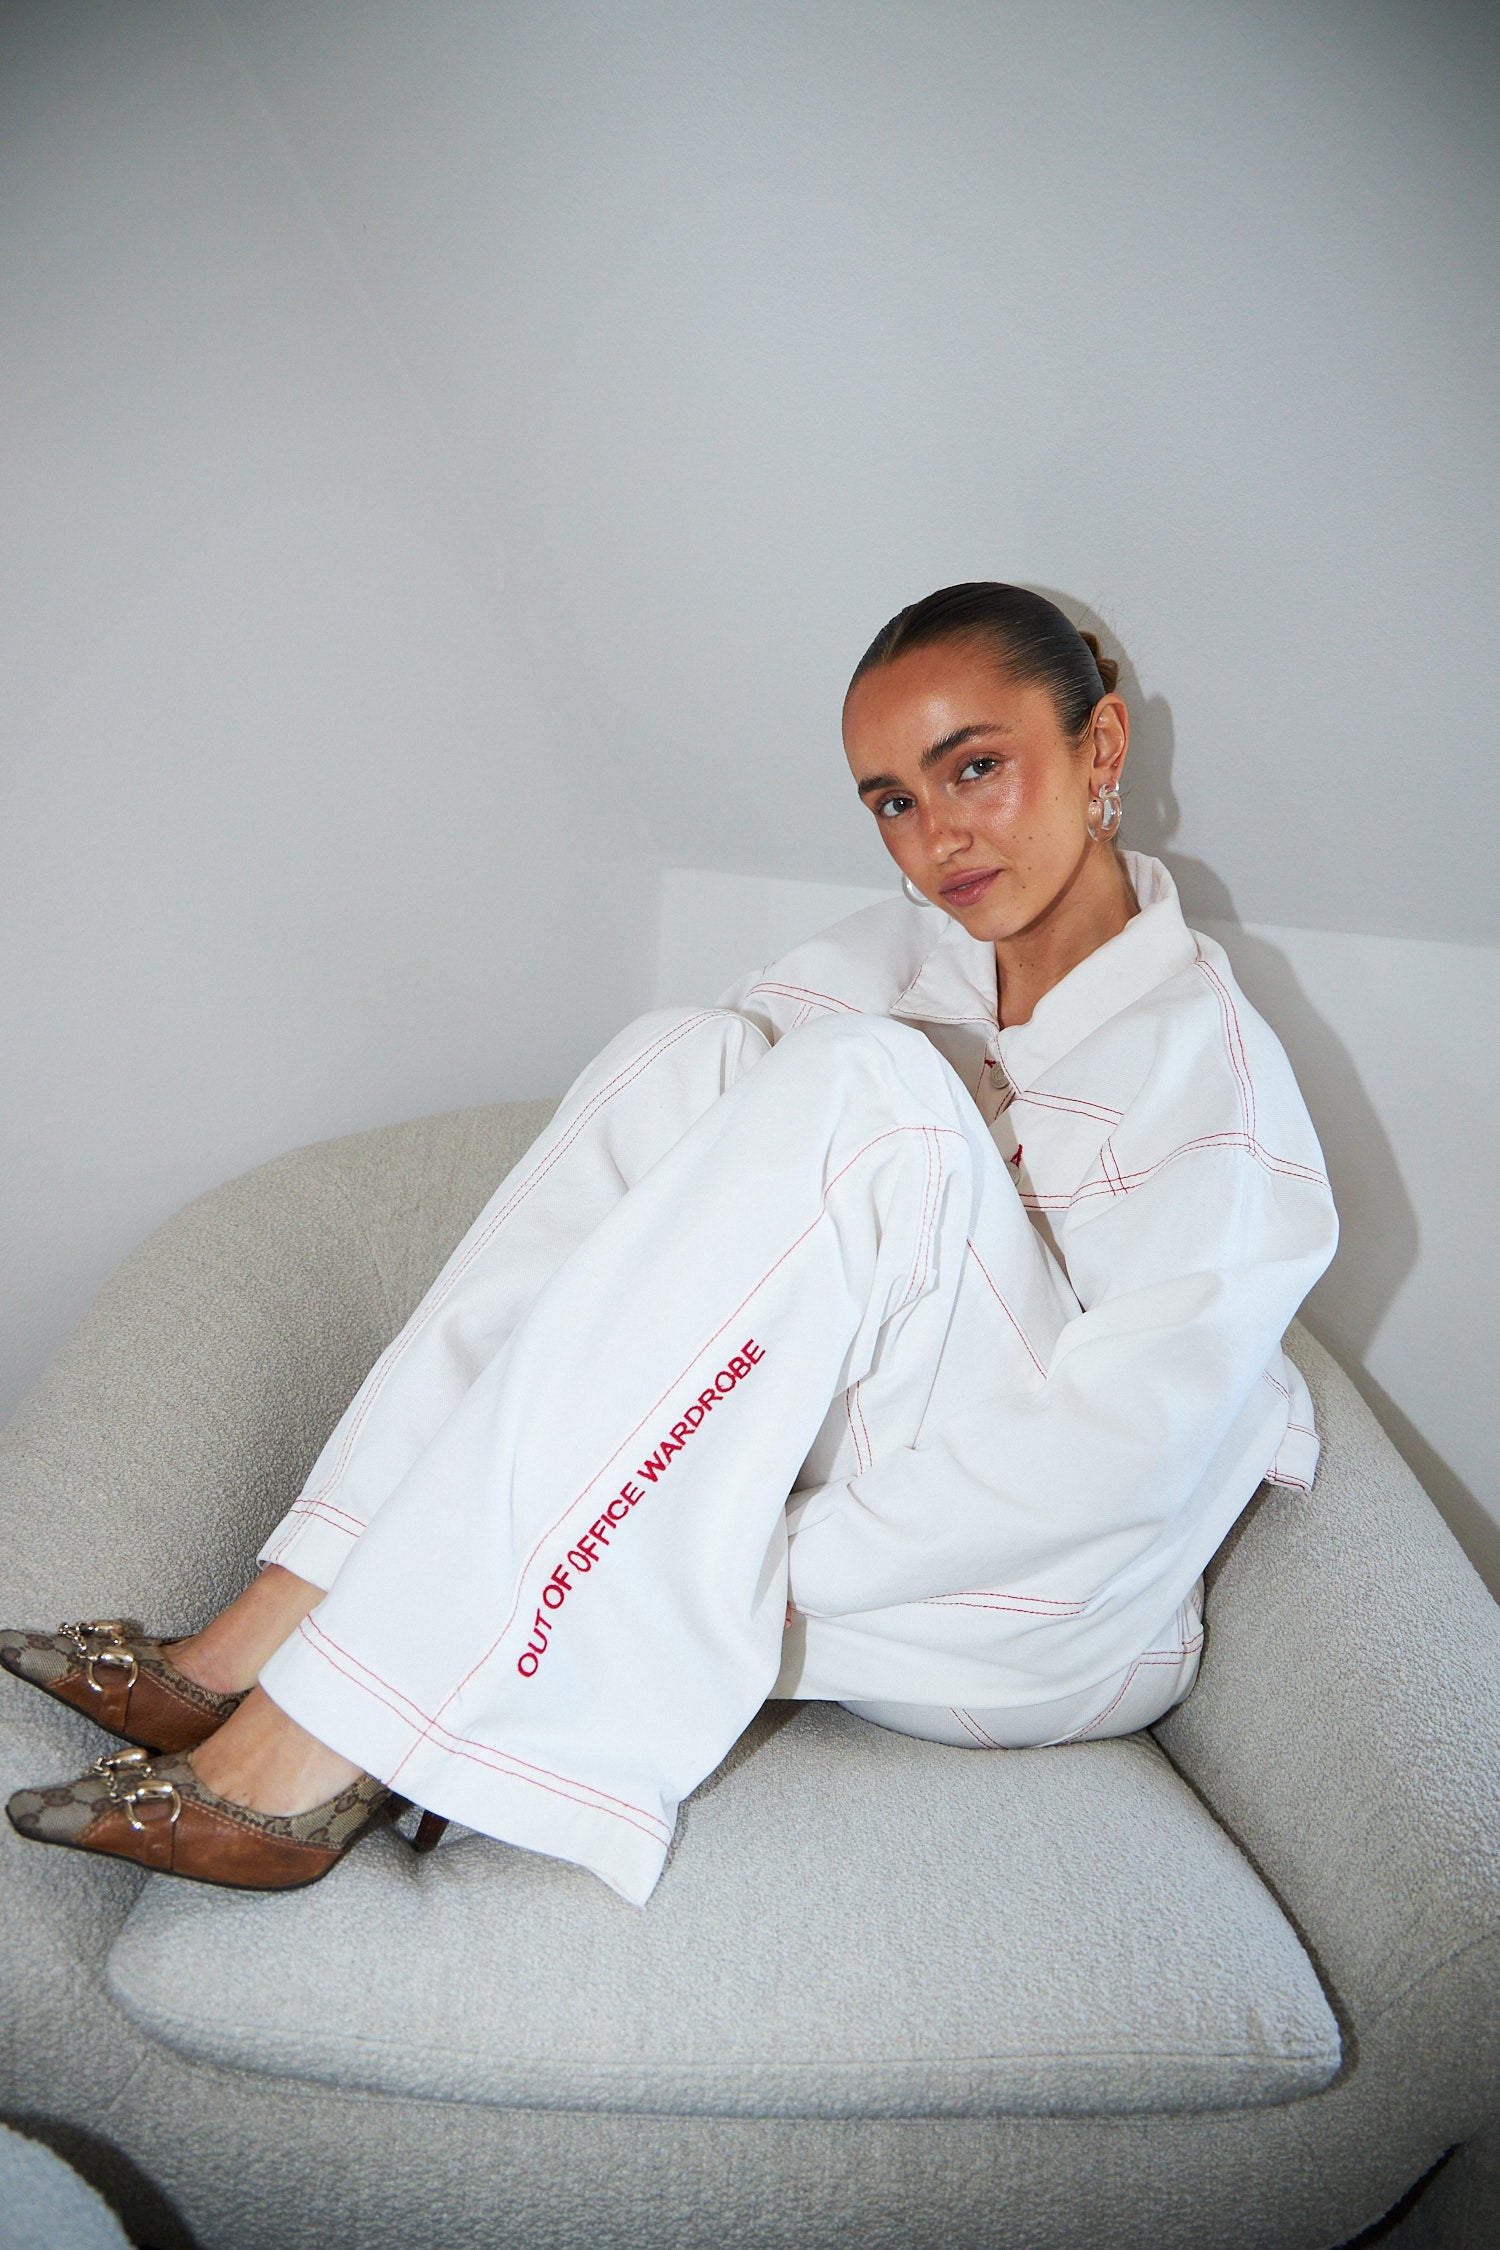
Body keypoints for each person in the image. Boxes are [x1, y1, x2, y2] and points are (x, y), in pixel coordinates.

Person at [3, 584, 1337, 1906]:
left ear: (1101, 747)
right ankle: (290, 1610)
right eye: (891, 800)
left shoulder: (1210, 1070)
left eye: (974, 767)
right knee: (688, 1051)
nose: (935, 837)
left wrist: (718, 1543)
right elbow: (687, 1198)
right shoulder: (899, 957)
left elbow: (1112, 1473)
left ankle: (324, 1737)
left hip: (1044, 1617)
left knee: (873, 1086)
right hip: (845, 1506)